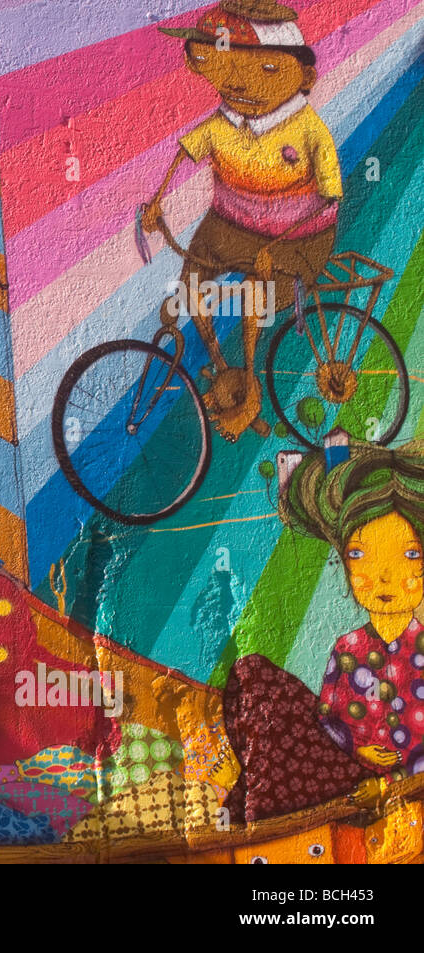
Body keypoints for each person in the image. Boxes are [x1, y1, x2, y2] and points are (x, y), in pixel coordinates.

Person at [144, 0, 341, 441]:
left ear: (304, 75)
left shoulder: (309, 130)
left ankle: (251, 378)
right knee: (191, 285)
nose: (239, 84)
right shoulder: (222, 122)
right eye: (222, 69)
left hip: (298, 237)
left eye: (266, 70)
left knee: (256, 291)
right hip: (229, 226)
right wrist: (156, 202)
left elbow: (329, 199)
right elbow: (185, 152)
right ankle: (222, 370)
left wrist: (281, 244)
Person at [220, 441, 424, 822]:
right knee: (254, 677)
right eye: (359, 554)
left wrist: (387, 784)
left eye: (409, 554)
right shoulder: (348, 647)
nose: (383, 575)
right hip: (345, 769)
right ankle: (255, 814)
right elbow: (328, 718)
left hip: (401, 785)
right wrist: (357, 749)